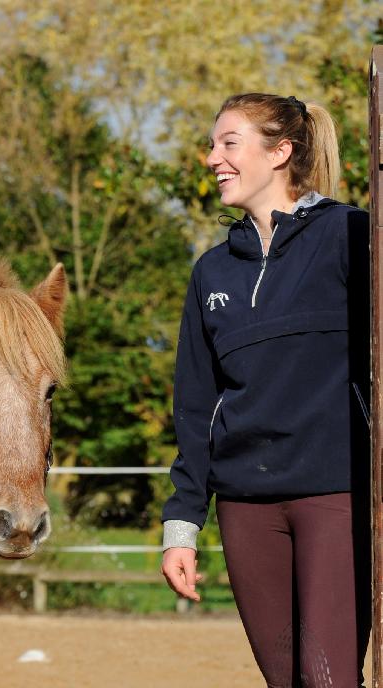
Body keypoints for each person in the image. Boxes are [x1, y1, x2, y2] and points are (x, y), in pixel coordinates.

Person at [160, 93, 370, 686]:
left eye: (228, 142)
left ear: (281, 152)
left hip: (337, 493)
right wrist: (182, 529)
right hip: (246, 508)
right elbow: (195, 407)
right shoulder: (212, 272)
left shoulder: (350, 235)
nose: (212, 159)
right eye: (212, 144)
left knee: (328, 678)